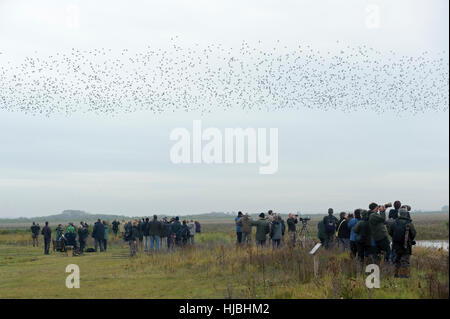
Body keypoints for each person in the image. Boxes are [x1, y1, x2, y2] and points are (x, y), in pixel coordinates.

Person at [389, 209, 416, 278]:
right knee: (405, 261)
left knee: (396, 260)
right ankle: (404, 276)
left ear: (399, 214)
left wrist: (395, 238)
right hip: (406, 245)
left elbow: (390, 232)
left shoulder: (394, 222)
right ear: (406, 214)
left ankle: (395, 275)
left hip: (396, 245)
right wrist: (409, 240)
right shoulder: (409, 223)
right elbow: (413, 234)